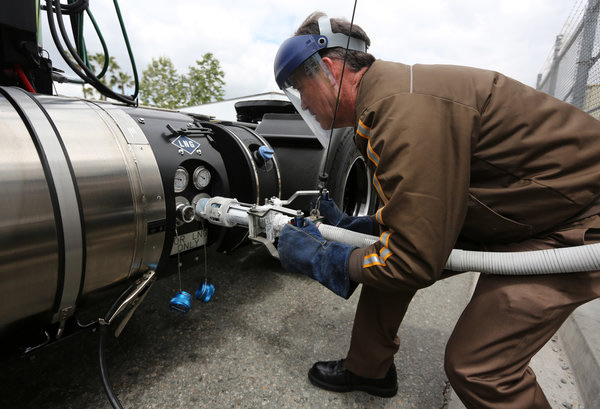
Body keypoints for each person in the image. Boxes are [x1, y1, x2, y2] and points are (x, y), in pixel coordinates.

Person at [274, 11, 600, 408]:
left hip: (574, 221)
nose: (303, 102)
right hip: (522, 209)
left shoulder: (402, 111)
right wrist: (369, 225)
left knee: (479, 366)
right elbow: (420, 202)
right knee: (380, 245)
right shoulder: (389, 99)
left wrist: (325, 258)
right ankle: (368, 368)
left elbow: (413, 261)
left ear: (329, 68)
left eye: (300, 87)